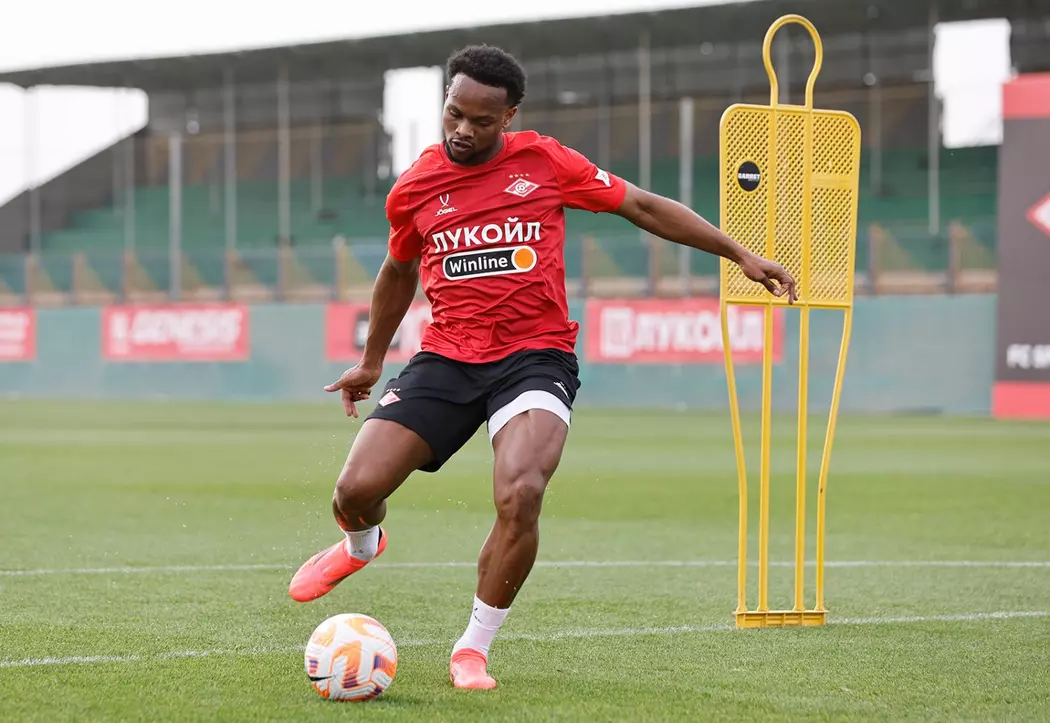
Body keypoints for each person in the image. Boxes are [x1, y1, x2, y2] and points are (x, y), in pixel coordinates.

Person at [288, 44, 797, 690]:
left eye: (482, 121)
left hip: (535, 356)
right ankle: (362, 546)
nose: (463, 130)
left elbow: (641, 206)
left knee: (521, 491)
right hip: (447, 356)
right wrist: (370, 361)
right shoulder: (414, 186)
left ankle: (472, 648)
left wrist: (739, 253)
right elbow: (397, 270)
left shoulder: (546, 162)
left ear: (509, 117)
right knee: (355, 492)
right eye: (454, 114)